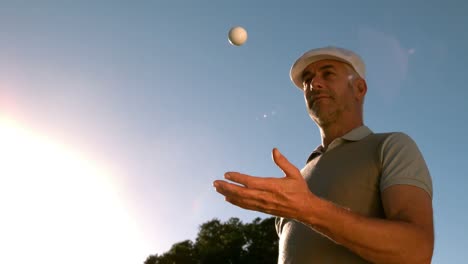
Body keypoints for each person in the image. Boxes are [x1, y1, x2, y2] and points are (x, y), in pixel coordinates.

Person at [213, 46, 434, 263]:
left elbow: (416, 251)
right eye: (307, 79)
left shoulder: (390, 146)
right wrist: (300, 207)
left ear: (359, 88)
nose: (313, 84)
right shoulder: (297, 181)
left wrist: (308, 209)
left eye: (328, 74)